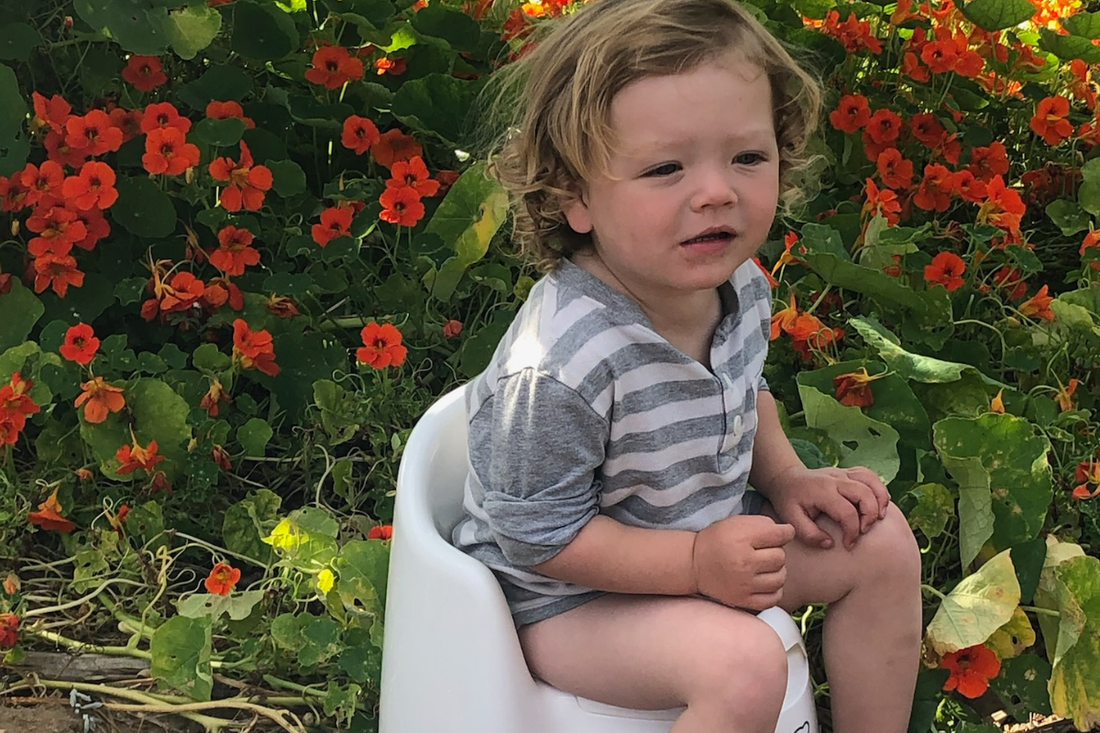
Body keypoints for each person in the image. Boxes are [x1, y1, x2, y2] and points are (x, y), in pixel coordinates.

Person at [452, 0, 922, 730]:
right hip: (564, 601)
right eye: (666, 167)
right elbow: (539, 539)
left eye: (747, 157)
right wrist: (696, 563)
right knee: (744, 667)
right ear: (574, 194)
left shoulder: (738, 285)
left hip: (703, 539)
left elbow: (742, 395)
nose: (715, 191)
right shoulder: (561, 365)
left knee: (884, 547)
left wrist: (787, 478)